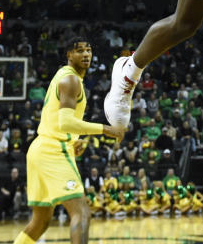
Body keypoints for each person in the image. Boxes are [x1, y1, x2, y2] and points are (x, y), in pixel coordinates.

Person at [13, 38, 125, 244]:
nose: (85, 54)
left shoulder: (63, 76)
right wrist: (106, 129)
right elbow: (65, 123)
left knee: (40, 222)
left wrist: (75, 139)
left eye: (88, 50)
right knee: (81, 212)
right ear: (68, 55)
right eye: (79, 50)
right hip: (54, 150)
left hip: (41, 148)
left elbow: (58, 120)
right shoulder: (71, 80)